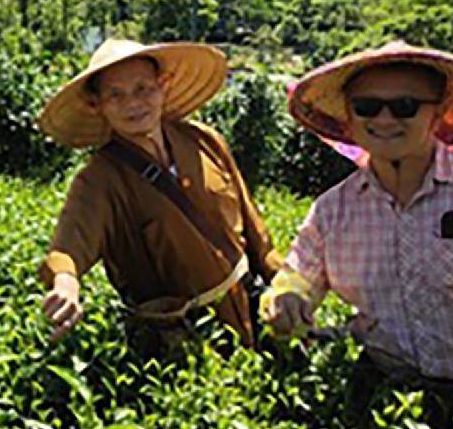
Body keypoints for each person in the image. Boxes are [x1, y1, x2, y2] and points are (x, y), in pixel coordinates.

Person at [262, 41, 453, 423]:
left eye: (405, 106)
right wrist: (288, 297)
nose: (384, 119)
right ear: (348, 115)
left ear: (438, 113)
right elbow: (300, 271)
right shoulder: (334, 209)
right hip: (390, 403)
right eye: (367, 107)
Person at [37, 39, 282, 351]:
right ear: (97, 105)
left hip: (251, 313)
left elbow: (256, 234)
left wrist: (291, 286)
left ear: (163, 85)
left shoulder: (205, 141)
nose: (132, 103)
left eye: (143, 89)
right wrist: (66, 283)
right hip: (180, 344)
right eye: (116, 95)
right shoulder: (99, 179)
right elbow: (68, 247)